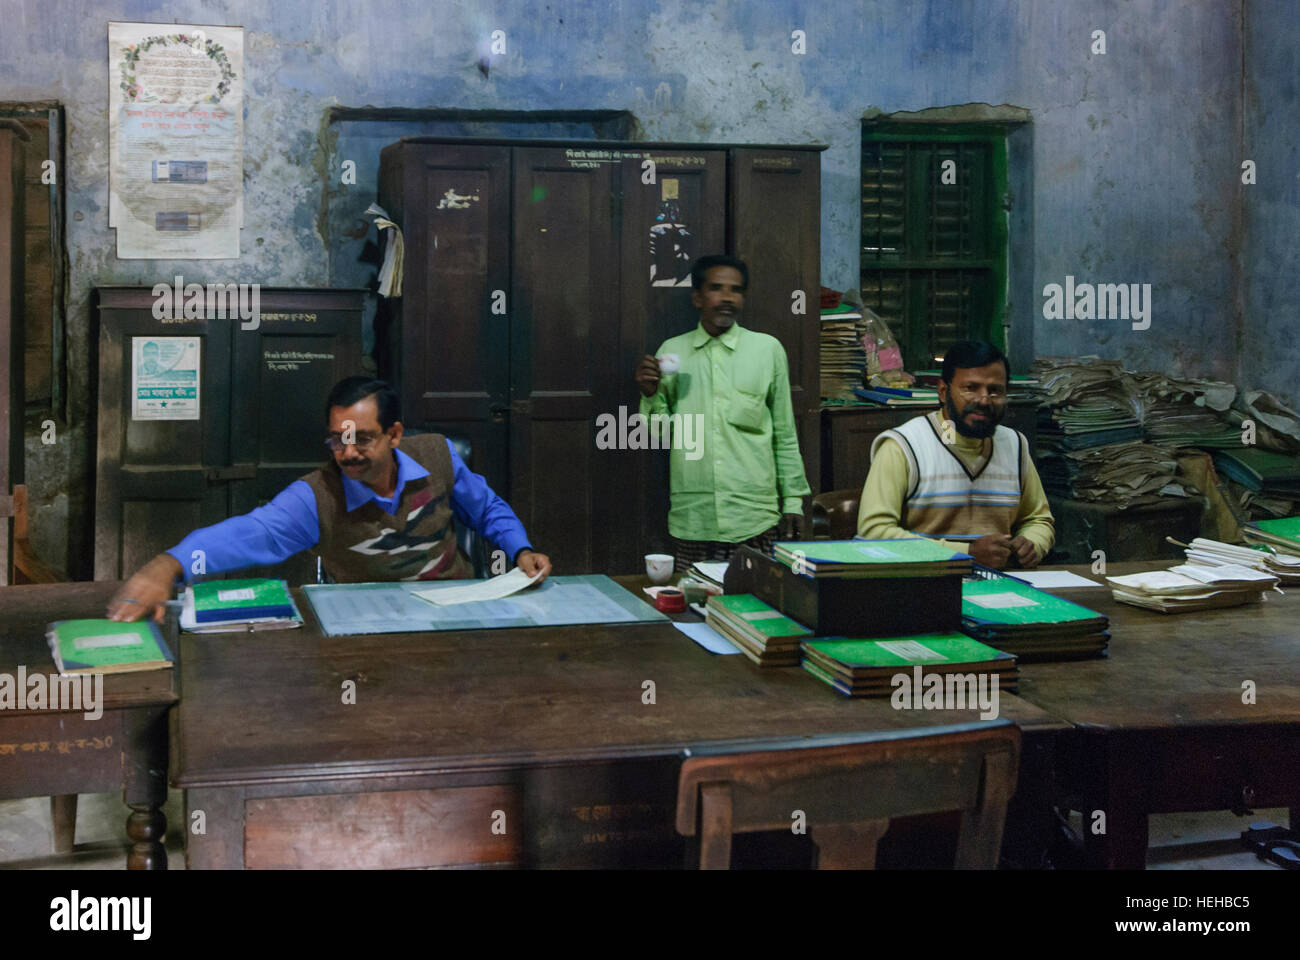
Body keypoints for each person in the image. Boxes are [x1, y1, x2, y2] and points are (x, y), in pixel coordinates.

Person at [108, 377, 551, 622]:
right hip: (372, 624)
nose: (349, 453)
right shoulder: (316, 497)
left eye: (363, 439)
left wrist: (521, 549)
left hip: (459, 614)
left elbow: (488, 509)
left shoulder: (437, 454)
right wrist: (168, 564)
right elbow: (249, 533)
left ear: (395, 434)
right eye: (337, 441)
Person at [634, 254, 810, 573]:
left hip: (755, 517)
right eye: (716, 288)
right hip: (693, 517)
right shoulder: (672, 353)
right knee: (692, 608)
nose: (727, 298)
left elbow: (785, 434)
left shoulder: (767, 350)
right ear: (697, 297)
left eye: (736, 290)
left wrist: (794, 500)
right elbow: (660, 435)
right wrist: (650, 396)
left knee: (756, 611)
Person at [856, 340, 1054, 570]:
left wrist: (1032, 544)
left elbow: (1038, 519)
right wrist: (965, 554)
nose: (984, 400)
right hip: (922, 585)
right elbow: (874, 532)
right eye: (970, 388)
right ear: (943, 391)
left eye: (995, 390)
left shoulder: (1014, 444)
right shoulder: (904, 445)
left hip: (1000, 585)